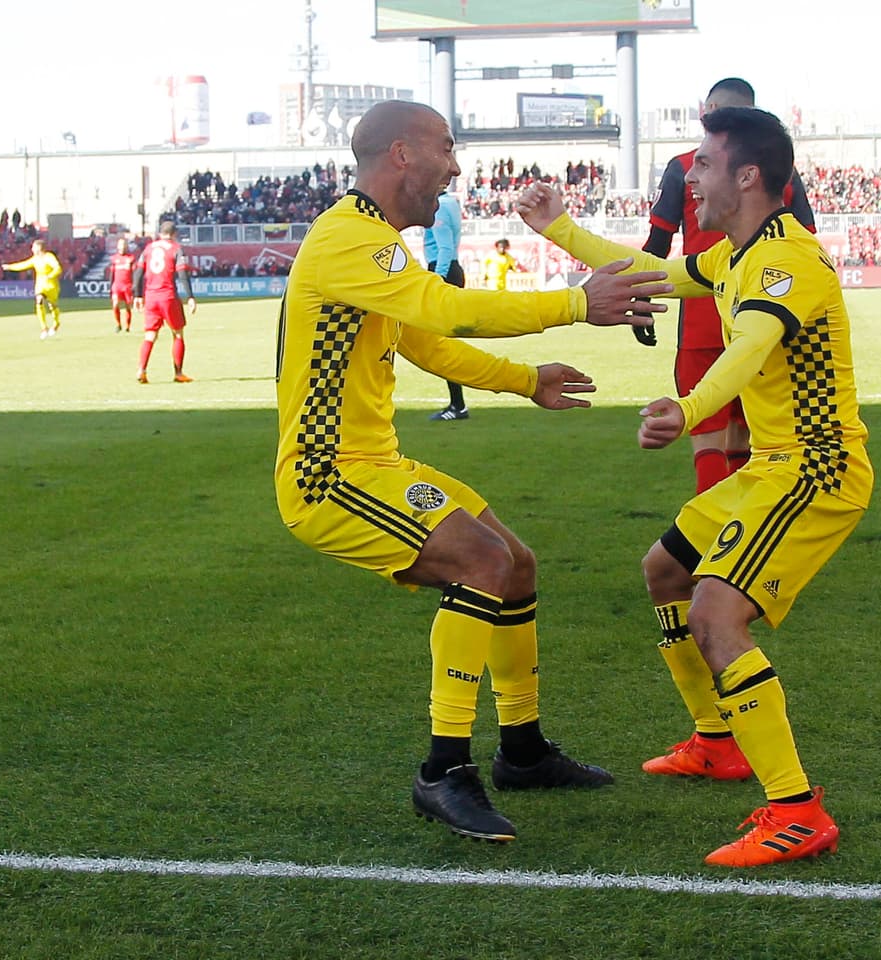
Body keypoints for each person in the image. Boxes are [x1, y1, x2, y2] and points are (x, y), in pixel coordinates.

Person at [274, 99, 672, 843]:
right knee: (483, 563)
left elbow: (428, 343)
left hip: (373, 464)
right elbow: (448, 312)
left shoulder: (375, 242)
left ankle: (521, 751)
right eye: (446, 149)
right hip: (326, 476)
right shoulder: (346, 241)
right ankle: (442, 773)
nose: (455, 167)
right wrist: (575, 304)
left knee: (515, 565)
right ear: (401, 155)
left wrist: (526, 381)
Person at [518, 107, 872, 867]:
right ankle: (717, 741)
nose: (690, 174)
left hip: (815, 467)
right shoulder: (735, 253)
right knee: (666, 571)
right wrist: (559, 227)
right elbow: (655, 274)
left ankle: (797, 809)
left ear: (747, 176)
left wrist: (687, 409)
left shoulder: (789, 260)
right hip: (773, 466)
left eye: (703, 163)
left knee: (716, 614)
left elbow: (749, 349)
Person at [637, 78, 816, 501]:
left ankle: (709, 548)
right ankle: (738, 542)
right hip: (763, 316)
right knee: (744, 443)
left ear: (710, 109)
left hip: (702, 318)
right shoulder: (780, 172)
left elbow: (657, 244)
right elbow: (807, 238)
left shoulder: (683, 166)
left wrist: (641, 299)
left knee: (707, 438)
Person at [424, 185, 469, 421]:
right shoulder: (452, 203)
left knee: (442, 344)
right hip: (452, 269)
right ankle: (457, 404)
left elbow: (444, 247)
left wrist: (437, 280)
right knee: (443, 342)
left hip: (444, 270)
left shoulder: (439, 208)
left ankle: (458, 405)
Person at [132, 221, 196, 383]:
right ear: (174, 234)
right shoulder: (176, 248)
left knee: (150, 335)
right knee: (178, 334)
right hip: (167, 295)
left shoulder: (148, 249)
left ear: (160, 233)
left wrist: (138, 296)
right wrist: (190, 297)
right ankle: (178, 373)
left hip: (151, 296)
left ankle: (142, 369)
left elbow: (138, 273)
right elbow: (182, 274)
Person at [2, 238, 63, 339]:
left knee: (52, 306)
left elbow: (58, 268)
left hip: (51, 285)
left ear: (39, 248)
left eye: (33, 247)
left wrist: (50, 275)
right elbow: (23, 264)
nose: (32, 249)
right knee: (39, 301)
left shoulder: (49, 257)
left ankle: (56, 323)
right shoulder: (35, 259)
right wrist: (9, 267)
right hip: (40, 285)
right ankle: (44, 328)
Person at [107, 236, 136, 332]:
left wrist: (134, 286)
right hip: (117, 286)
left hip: (127, 286)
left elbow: (134, 273)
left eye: (124, 245)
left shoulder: (131, 258)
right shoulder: (114, 259)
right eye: (120, 245)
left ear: (127, 246)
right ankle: (118, 324)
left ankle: (127, 327)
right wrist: (110, 287)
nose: (122, 247)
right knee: (115, 304)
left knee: (128, 306)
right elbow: (112, 274)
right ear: (118, 247)